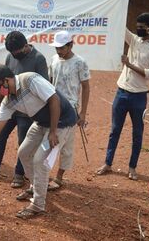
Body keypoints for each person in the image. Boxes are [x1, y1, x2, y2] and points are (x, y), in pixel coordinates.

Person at [0, 65, 77, 219]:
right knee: (23, 153)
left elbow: (54, 100)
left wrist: (52, 132)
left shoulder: (30, 79)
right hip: (40, 123)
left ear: (6, 80)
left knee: (40, 160)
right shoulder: (9, 101)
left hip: (60, 123)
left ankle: (38, 205)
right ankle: (35, 187)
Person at [96, 11, 149, 180]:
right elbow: (121, 27)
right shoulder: (134, 39)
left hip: (139, 97)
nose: (138, 29)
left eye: (141, 27)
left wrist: (129, 65)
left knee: (137, 133)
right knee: (114, 130)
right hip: (121, 92)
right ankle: (108, 163)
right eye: (137, 26)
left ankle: (132, 167)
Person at [0, 31, 48, 188]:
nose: (14, 55)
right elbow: (4, 81)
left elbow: (44, 87)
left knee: (23, 143)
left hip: (27, 112)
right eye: (11, 53)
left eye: (17, 52)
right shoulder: (10, 57)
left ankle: (19, 174)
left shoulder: (38, 59)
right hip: (10, 107)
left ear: (25, 46)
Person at [47, 30, 90, 190]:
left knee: (64, 146)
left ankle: (58, 177)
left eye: (62, 48)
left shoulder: (80, 62)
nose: (59, 52)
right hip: (54, 107)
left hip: (70, 110)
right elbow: (50, 83)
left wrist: (83, 113)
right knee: (52, 142)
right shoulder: (53, 60)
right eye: (56, 48)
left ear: (71, 45)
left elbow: (86, 87)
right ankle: (45, 174)